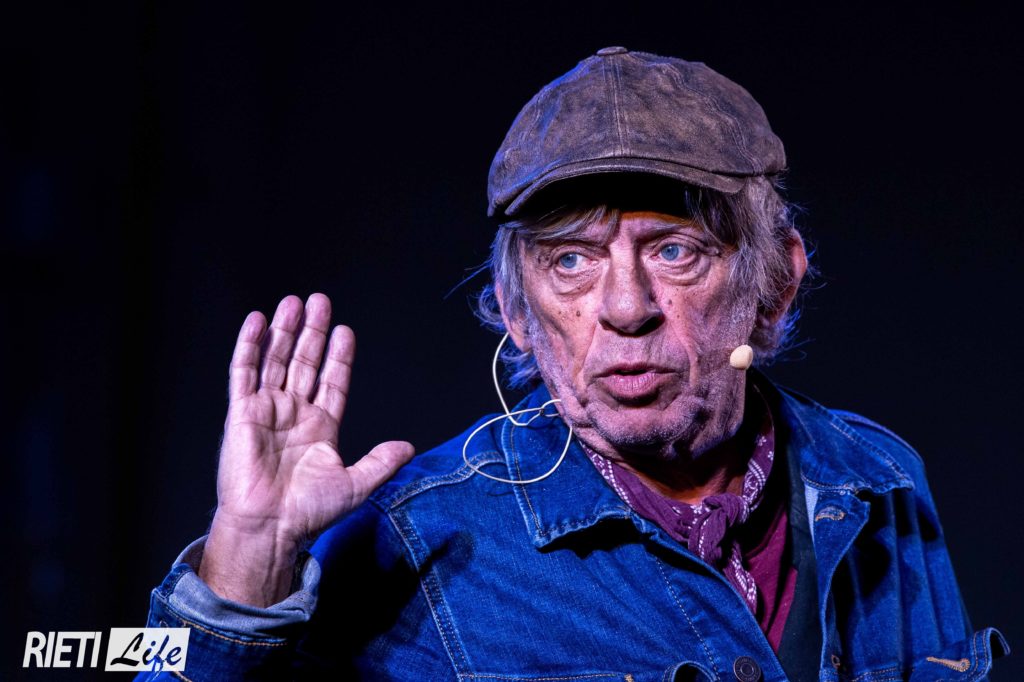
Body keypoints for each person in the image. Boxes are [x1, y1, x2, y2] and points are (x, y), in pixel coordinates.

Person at [139, 48, 1007, 681]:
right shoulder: (416, 537)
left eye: (674, 250)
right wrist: (247, 558)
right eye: (570, 260)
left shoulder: (881, 481)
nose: (625, 308)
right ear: (517, 312)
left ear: (775, 285)